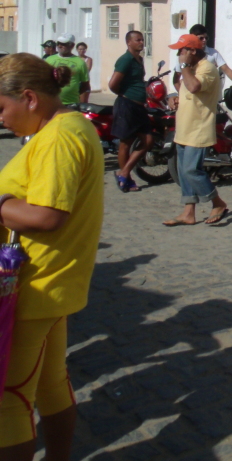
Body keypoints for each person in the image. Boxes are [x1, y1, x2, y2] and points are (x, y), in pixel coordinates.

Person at [0, 54, 104, 461]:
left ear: (29, 98)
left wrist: (3, 202)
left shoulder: (59, 137)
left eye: (2, 108)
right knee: (50, 384)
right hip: (52, 284)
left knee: (9, 399)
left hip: (34, 288)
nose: (1, 118)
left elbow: (46, 217)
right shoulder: (68, 126)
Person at [162, 34, 230, 226]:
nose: (179, 55)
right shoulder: (191, 69)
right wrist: (174, 98)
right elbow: (187, 92)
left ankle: (217, 202)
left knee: (192, 170)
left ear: (193, 50)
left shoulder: (207, 68)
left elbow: (193, 87)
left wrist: (183, 67)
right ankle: (188, 212)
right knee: (183, 171)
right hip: (184, 127)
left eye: (182, 51)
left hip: (198, 129)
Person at [108, 31, 154, 193]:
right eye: (138, 40)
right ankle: (126, 179)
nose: (141, 42)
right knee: (125, 143)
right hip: (126, 105)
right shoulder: (125, 60)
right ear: (129, 42)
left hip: (139, 107)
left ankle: (124, 171)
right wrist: (125, 94)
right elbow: (113, 84)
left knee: (148, 140)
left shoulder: (139, 60)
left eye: (142, 40)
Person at [171, 25, 232, 103]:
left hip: (209, 97)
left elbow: (226, 69)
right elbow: (176, 80)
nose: (204, 40)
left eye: (206, 38)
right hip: (192, 96)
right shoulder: (184, 56)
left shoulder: (213, 53)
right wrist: (183, 95)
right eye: (201, 38)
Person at [45, 34, 90, 106]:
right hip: (51, 103)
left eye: (63, 44)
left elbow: (85, 85)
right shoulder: (49, 59)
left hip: (71, 103)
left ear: (72, 45)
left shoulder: (80, 62)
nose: (59, 46)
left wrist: (75, 95)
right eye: (58, 43)